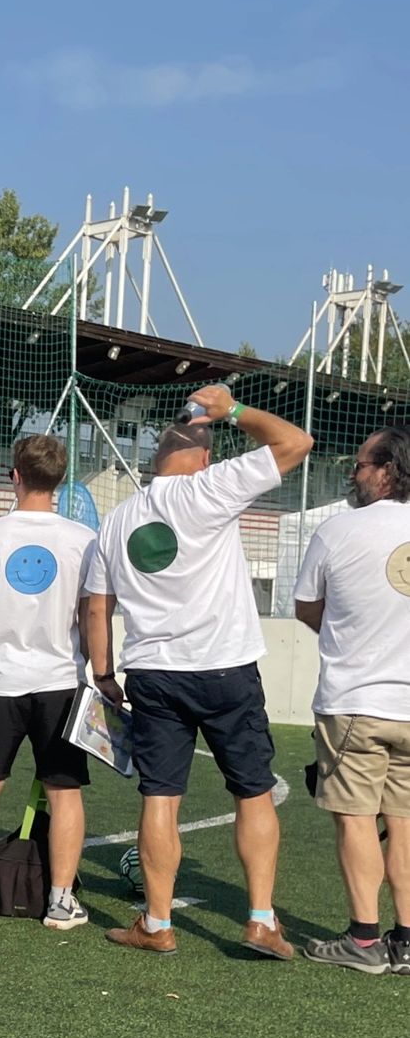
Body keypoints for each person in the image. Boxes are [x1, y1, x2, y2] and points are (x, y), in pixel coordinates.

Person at [85, 384, 312, 958]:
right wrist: (231, 410)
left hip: (154, 673)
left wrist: (105, 675)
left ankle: (157, 923)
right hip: (225, 668)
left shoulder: (117, 521)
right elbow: (296, 441)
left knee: (160, 796)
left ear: (154, 459)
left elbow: (96, 606)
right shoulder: (212, 488)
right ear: (206, 457)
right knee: (254, 791)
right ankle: (261, 920)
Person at [0, 435, 94, 930]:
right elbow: (92, 614)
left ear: (15, 475)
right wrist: (92, 661)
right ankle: (59, 900)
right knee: (64, 792)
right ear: (61, 481)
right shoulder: (82, 540)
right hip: (60, 682)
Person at [294, 425, 410, 974]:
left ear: (387, 471)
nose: (354, 473)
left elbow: (306, 607)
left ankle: (364, 940)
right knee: (405, 820)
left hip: (356, 700)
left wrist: (351, 635)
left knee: (356, 818)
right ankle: (406, 940)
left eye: (362, 464)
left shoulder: (338, 531)